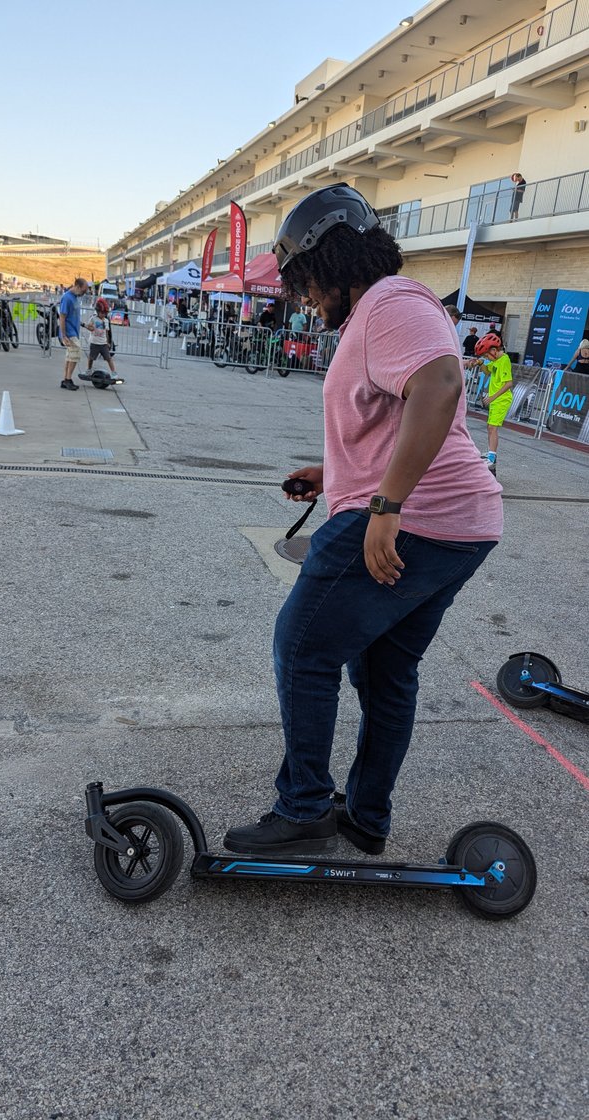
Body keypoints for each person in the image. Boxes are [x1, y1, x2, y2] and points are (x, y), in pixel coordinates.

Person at [223, 183, 502, 857]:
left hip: (418, 517)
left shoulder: (389, 302)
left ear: (335, 260)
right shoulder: (378, 313)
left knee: (303, 648)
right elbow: (393, 418)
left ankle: (304, 809)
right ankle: (367, 816)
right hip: (458, 525)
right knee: (383, 671)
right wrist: (336, 472)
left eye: (306, 282)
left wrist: (386, 505)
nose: (304, 298)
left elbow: (439, 386)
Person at [467, 332, 513, 476]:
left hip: (501, 399)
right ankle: (490, 453)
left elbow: (508, 383)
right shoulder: (496, 360)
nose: (486, 358)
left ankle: (492, 457)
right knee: (489, 427)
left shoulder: (504, 360)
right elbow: (487, 371)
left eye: (486, 355)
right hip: (496, 400)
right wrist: (481, 363)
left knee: (493, 427)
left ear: (494, 350)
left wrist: (492, 397)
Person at [80, 298, 121, 382]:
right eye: (102, 313)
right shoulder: (93, 318)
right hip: (94, 342)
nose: (103, 315)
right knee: (91, 358)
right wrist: (84, 325)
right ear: (97, 311)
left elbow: (107, 332)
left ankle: (114, 373)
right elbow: (90, 328)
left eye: (105, 313)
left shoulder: (106, 321)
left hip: (103, 343)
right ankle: (89, 370)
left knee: (108, 358)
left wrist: (108, 342)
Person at [58, 277, 88, 390]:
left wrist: (84, 325)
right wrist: (64, 335)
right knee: (75, 354)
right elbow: (62, 317)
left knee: (70, 356)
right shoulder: (67, 298)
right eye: (83, 291)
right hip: (69, 332)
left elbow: (74, 316)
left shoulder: (75, 298)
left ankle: (65, 379)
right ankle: (68, 379)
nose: (84, 293)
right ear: (78, 287)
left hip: (74, 331)